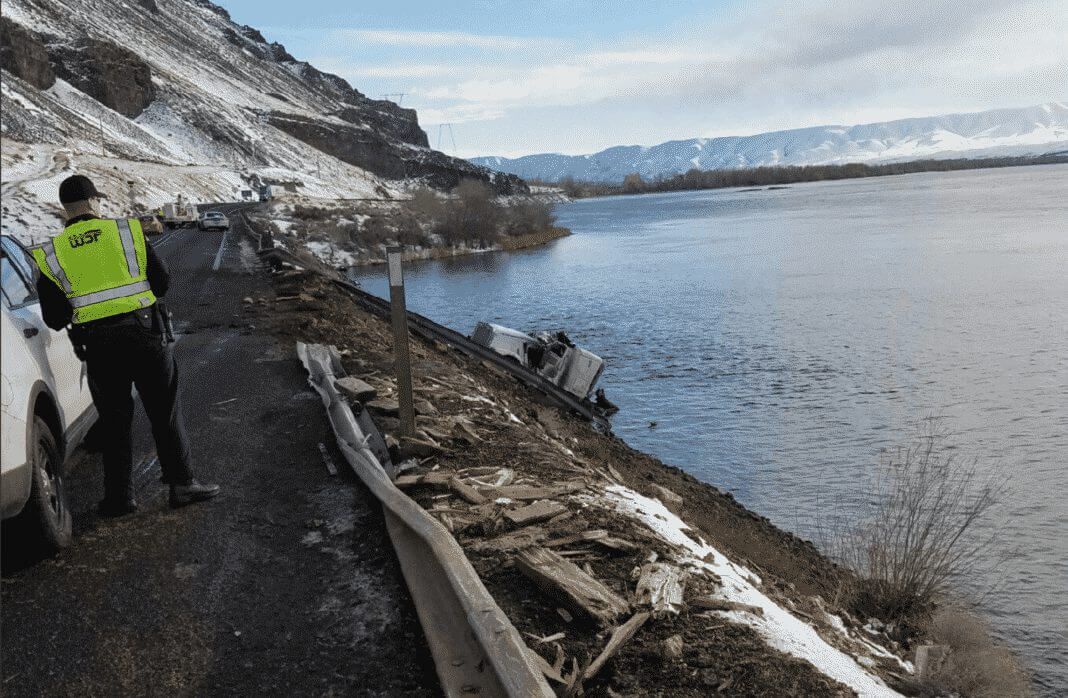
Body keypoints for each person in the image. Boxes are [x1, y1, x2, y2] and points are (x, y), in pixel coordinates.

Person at [32, 175, 219, 517]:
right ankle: (181, 485)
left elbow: (56, 318)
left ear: (66, 210)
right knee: (164, 413)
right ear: (93, 202)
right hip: (146, 336)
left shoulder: (52, 254)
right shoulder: (127, 231)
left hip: (99, 347)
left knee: (115, 424)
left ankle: (120, 499)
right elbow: (161, 283)